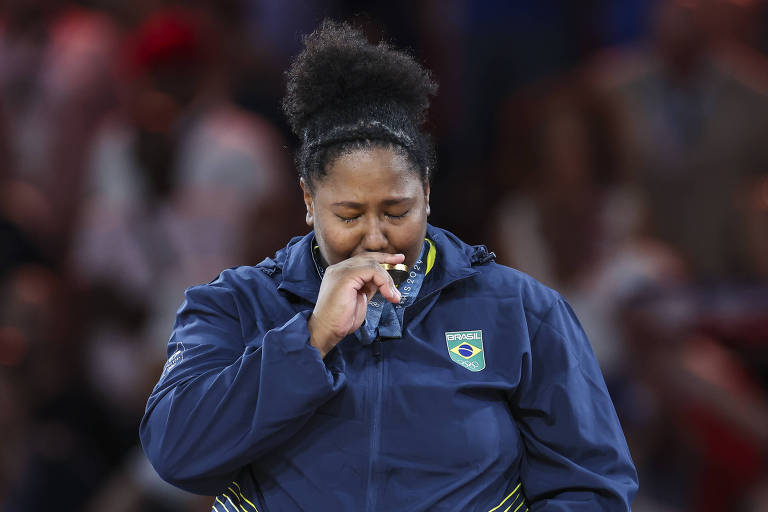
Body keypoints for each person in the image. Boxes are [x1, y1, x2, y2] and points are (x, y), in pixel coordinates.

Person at [140, 20, 638, 511]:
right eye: (349, 215)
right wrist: (310, 340)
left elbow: (592, 488)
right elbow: (177, 454)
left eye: (396, 212)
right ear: (309, 201)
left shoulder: (524, 311)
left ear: (426, 192)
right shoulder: (234, 306)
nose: (375, 236)